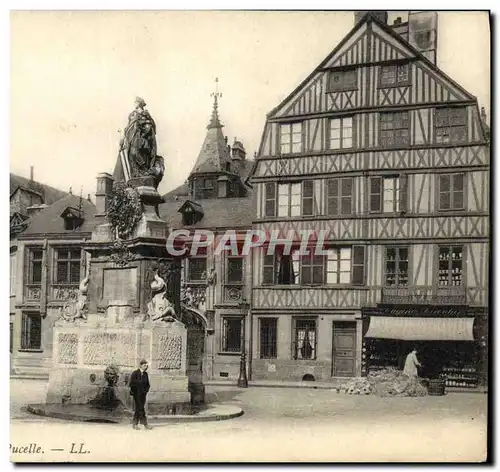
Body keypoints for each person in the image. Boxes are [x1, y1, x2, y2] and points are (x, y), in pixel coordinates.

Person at [129, 359, 152, 430]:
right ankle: (145, 424)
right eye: (144, 365)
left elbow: (148, 384)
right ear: (141, 365)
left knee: (138, 409)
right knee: (141, 408)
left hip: (143, 395)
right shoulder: (135, 373)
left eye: (147, 366)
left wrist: (145, 391)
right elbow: (131, 383)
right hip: (136, 394)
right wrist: (135, 390)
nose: (146, 367)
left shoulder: (146, 374)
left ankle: (135, 424)